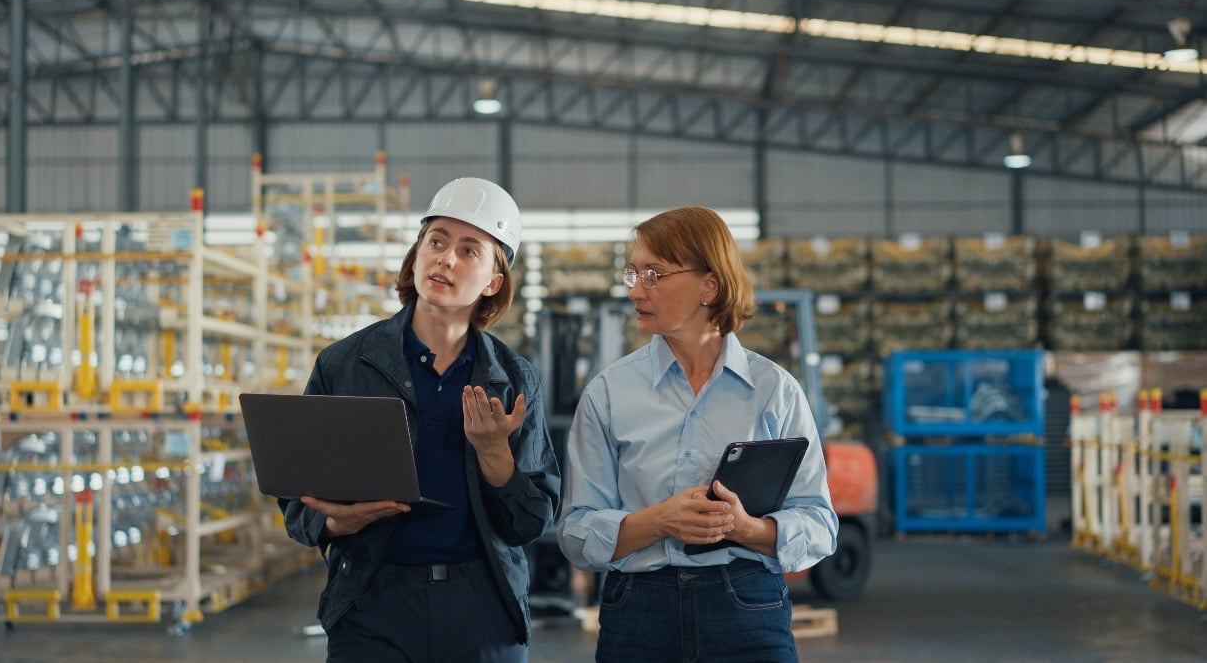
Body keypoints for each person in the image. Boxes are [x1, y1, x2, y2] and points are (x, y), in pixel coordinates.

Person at [279, 177, 561, 662]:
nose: (446, 259)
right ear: (416, 255)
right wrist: (332, 521)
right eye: (436, 241)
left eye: (469, 251)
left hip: (482, 607)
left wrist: (495, 455)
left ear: (494, 281)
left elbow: (531, 521)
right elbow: (295, 495)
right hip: (371, 603)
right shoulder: (345, 364)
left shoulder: (515, 381)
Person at [556, 206, 838, 663]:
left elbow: (820, 523)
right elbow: (574, 530)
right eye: (633, 274)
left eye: (653, 274)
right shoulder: (608, 394)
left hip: (747, 609)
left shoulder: (774, 392)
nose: (635, 291)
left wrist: (748, 529)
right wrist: (660, 521)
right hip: (639, 613)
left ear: (709, 285)